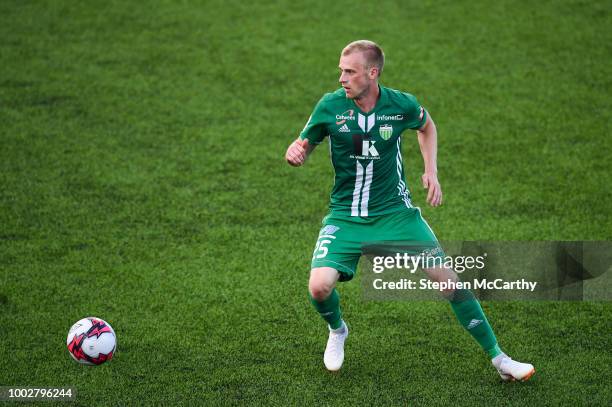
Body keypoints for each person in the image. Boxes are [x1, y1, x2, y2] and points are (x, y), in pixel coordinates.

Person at [285, 40, 535, 381]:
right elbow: (304, 143)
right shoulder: (330, 106)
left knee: (448, 282)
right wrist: (296, 152)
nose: (341, 78)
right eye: (341, 70)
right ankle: (338, 330)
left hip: (396, 214)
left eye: (349, 71)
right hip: (346, 216)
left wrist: (431, 169)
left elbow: (426, 126)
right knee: (319, 287)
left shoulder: (400, 105)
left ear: (372, 73)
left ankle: (499, 358)